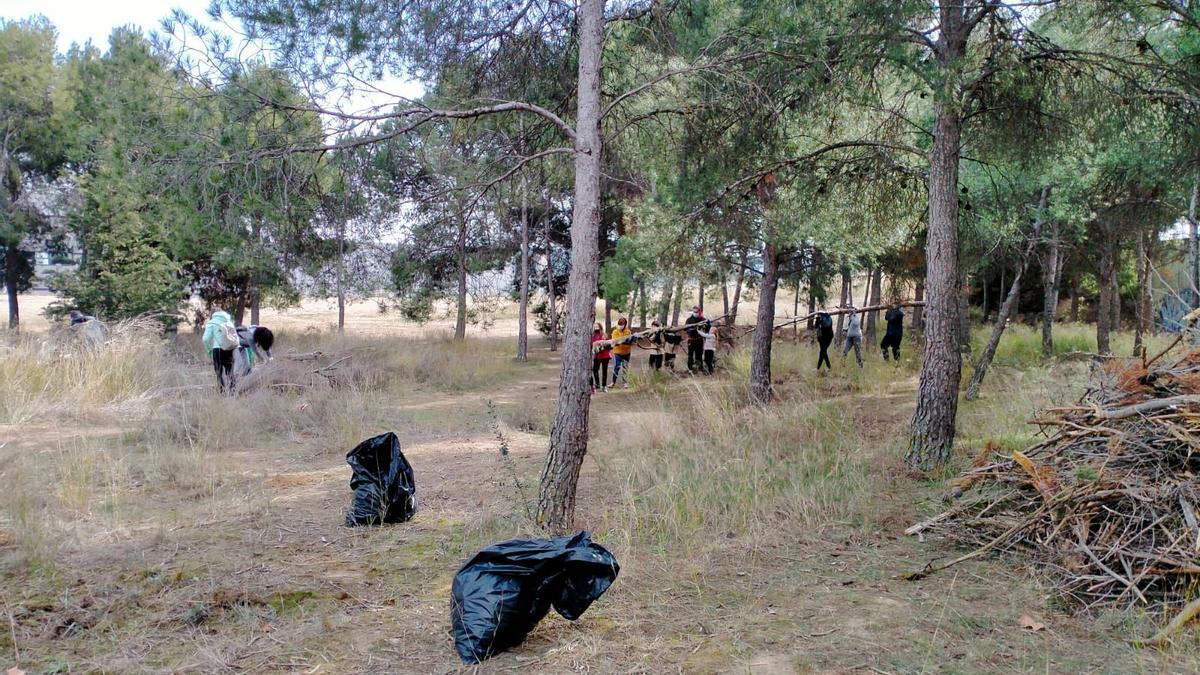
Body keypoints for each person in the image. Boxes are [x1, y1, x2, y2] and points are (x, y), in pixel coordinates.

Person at [202, 310, 239, 394]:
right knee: (230, 371)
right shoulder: (229, 321)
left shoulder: (211, 323)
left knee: (219, 373)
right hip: (229, 348)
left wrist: (209, 350)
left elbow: (205, 339)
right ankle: (232, 393)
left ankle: (222, 394)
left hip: (217, 349)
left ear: (213, 315)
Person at [610, 317, 633, 387]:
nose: (620, 325)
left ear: (625, 324)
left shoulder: (628, 331)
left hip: (627, 353)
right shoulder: (615, 331)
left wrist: (624, 341)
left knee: (625, 367)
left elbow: (629, 340)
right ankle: (613, 382)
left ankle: (625, 383)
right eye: (619, 324)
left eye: (622, 324)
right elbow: (615, 341)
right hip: (618, 353)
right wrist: (624, 341)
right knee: (616, 367)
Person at [684, 306, 707, 373]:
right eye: (694, 312)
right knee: (690, 355)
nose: (695, 313)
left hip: (699, 340)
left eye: (696, 312)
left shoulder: (703, 319)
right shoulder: (689, 320)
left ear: (699, 312)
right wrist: (690, 328)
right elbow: (685, 329)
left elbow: (707, 327)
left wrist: (703, 326)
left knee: (699, 355)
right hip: (691, 340)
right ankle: (690, 369)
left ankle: (699, 369)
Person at [591, 323, 611, 392]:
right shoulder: (592, 335)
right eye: (594, 326)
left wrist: (604, 345)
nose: (596, 327)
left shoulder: (604, 334)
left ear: (600, 327)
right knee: (594, 370)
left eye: (597, 326)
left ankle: (604, 386)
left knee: (604, 371)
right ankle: (597, 384)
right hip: (597, 355)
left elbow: (609, 345)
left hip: (605, 355)